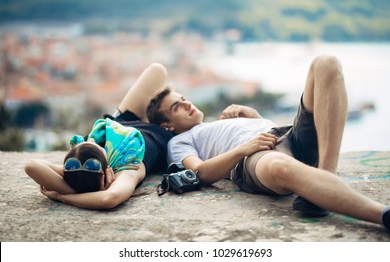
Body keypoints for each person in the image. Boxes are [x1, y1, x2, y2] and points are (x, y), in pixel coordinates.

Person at [146, 55, 390, 231]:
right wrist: (243, 149)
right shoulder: (178, 141)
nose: (188, 104)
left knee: (326, 63)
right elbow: (200, 173)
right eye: (177, 107)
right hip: (252, 160)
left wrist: (255, 117)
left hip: (285, 135)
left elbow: (265, 132)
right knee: (280, 167)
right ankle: (382, 215)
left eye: (184, 99)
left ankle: (326, 179)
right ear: (167, 126)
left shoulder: (210, 124)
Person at [25, 63, 174, 210]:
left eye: (86, 141)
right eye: (94, 145)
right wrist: (63, 198)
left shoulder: (78, 167)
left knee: (157, 70)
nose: (90, 139)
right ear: (105, 171)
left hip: (123, 120)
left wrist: (68, 191)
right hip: (163, 130)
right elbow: (110, 198)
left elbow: (31, 166)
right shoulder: (126, 168)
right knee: (180, 102)